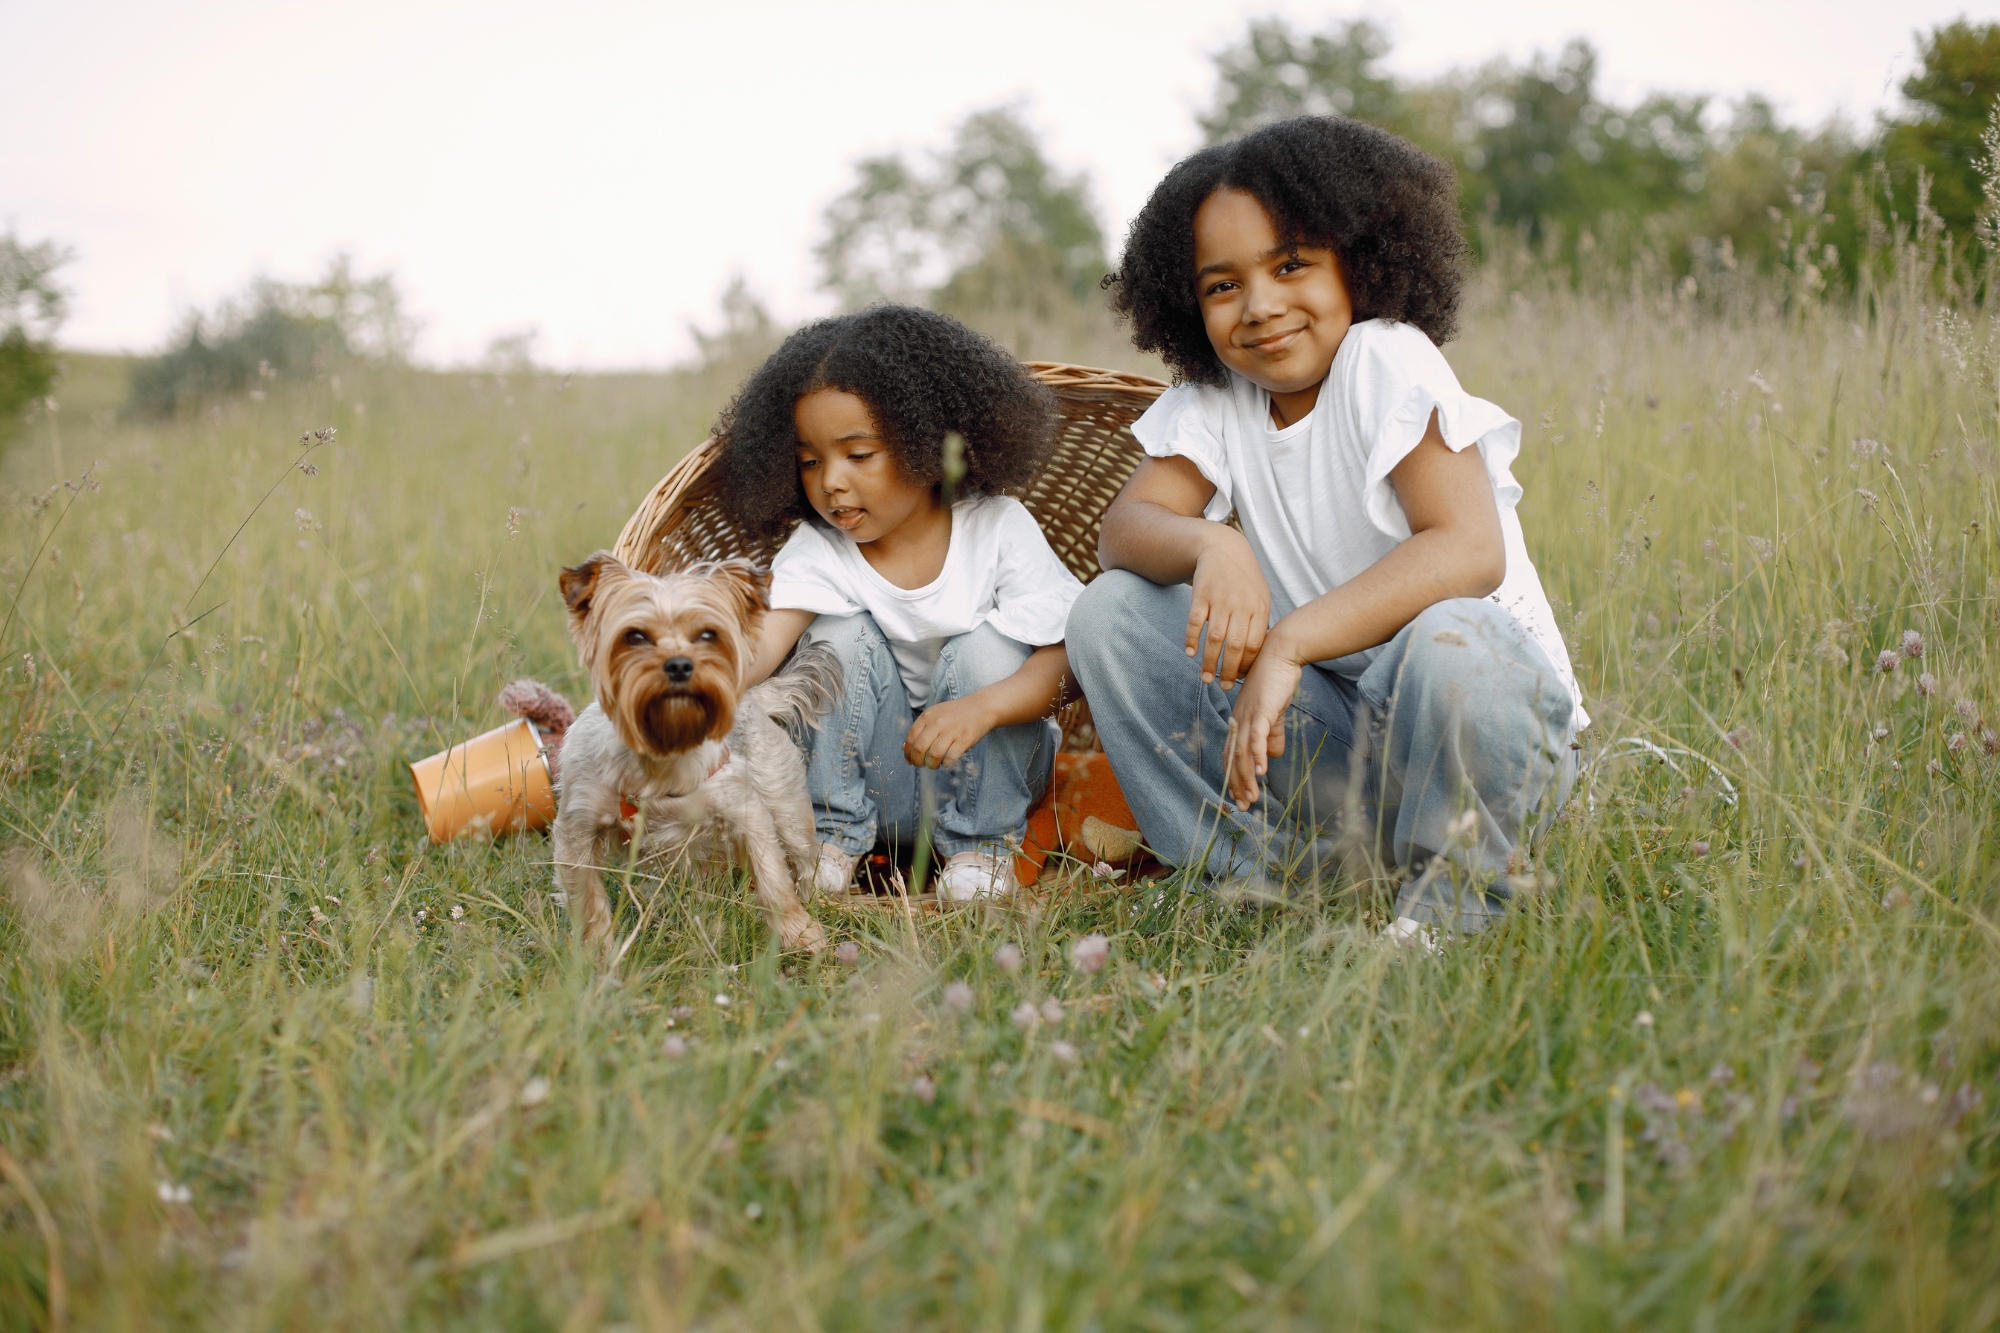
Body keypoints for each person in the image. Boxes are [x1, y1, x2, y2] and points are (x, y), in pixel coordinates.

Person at [1066, 115, 1587, 942]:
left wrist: (1289, 640)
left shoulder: (1386, 358)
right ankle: (1248, 883)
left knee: (1453, 637)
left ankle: (1447, 913)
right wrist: (1213, 541)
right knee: (1112, 611)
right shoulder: (1217, 395)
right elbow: (1122, 531)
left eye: (1292, 264)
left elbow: (1468, 548)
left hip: (1486, 745)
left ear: (1361, 257)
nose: (1261, 306)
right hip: (1348, 745)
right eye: (1222, 285)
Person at [718, 306, 1080, 901]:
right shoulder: (819, 550)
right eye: (810, 461)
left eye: (858, 456)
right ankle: (831, 840)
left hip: (988, 778)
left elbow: (1068, 658)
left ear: (926, 444)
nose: (830, 482)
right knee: (833, 638)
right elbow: (765, 644)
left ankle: (981, 853)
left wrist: (984, 708)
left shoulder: (998, 529)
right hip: (875, 790)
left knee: (989, 647)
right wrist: (691, 686)